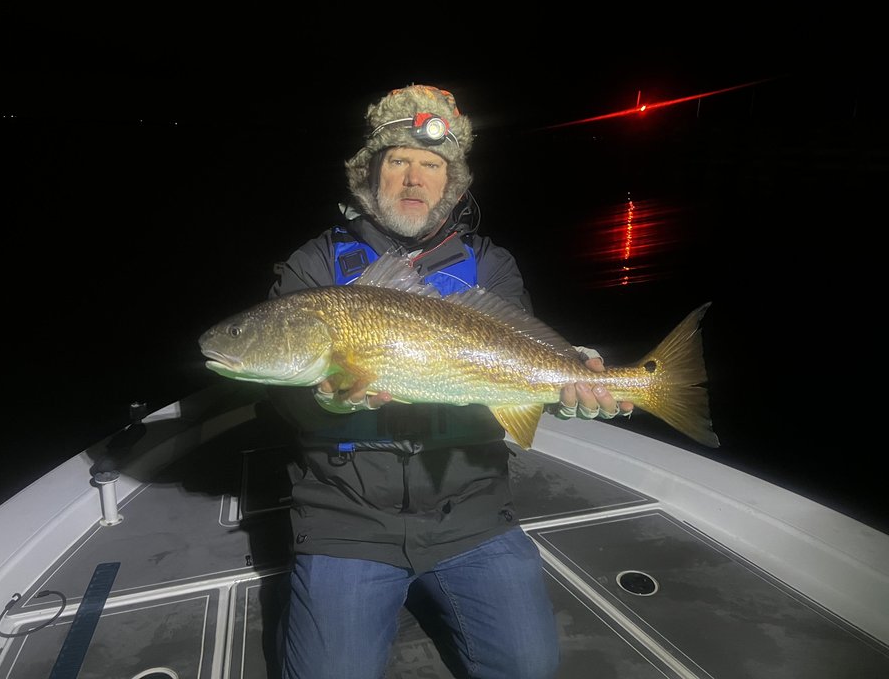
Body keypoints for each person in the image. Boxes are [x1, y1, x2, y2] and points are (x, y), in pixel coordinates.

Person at [267, 85, 633, 679]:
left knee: (529, 668)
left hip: (472, 511)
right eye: (398, 161)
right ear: (369, 174)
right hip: (347, 517)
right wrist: (324, 404)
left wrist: (576, 372)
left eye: (432, 165)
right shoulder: (314, 265)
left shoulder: (491, 264)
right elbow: (281, 397)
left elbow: (522, 353)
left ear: (454, 185)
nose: (414, 179)